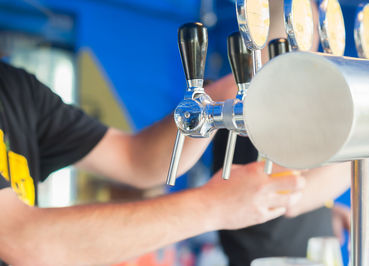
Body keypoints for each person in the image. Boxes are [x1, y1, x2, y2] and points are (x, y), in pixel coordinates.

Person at [0, 59, 306, 265]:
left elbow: (135, 159)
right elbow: (20, 239)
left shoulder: (14, 88)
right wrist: (214, 206)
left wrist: (224, 94)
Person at [212, 1, 351, 265]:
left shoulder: (276, 92)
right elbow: (288, 195)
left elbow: (296, 173)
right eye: (308, 30)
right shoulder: (254, 96)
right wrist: (363, 153)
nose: (318, 44)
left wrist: (325, 211)